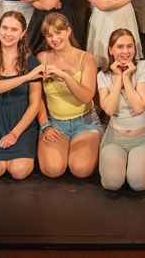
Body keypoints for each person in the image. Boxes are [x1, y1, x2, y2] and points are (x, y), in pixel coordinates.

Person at [0, 11, 45, 181]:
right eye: (4, 28)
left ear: (22, 34)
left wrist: (15, 134)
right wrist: (27, 77)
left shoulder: (31, 62)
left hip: (21, 126)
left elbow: (35, 104)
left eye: (14, 29)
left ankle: (19, 143)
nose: (8, 33)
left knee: (19, 171)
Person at [36, 13, 102, 179]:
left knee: (81, 169)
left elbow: (87, 96)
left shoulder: (86, 58)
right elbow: (37, 99)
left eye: (58, 33)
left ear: (68, 31)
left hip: (85, 122)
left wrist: (65, 76)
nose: (55, 39)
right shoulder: (41, 58)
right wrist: (46, 126)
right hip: (56, 122)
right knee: (53, 169)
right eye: (49, 35)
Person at [97, 29, 145, 191]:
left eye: (129, 46)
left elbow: (139, 107)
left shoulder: (143, 66)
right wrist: (118, 80)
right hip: (115, 139)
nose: (125, 51)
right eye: (120, 47)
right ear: (111, 50)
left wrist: (127, 78)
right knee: (112, 183)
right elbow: (109, 110)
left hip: (142, 139)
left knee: (138, 183)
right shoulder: (103, 75)